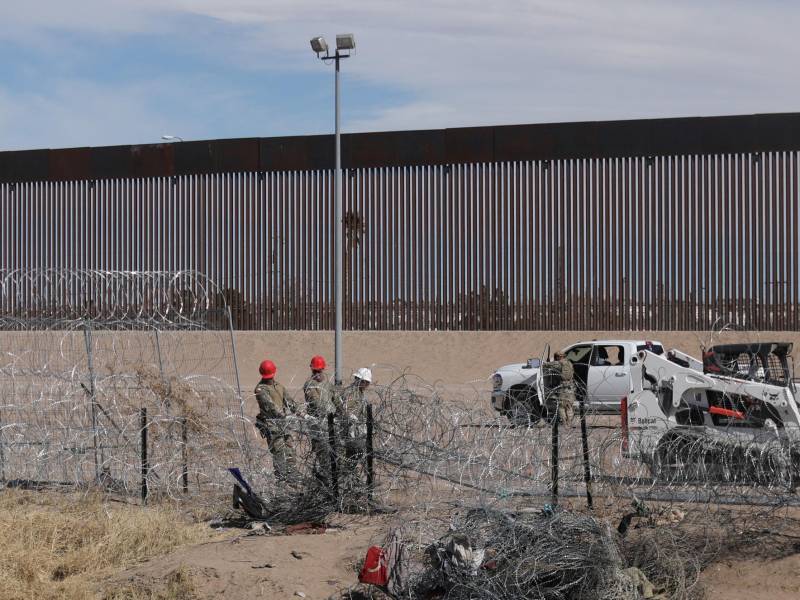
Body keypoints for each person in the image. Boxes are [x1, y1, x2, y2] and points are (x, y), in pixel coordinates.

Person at [254, 359, 297, 482]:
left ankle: (292, 476)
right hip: (272, 426)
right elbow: (270, 406)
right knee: (279, 453)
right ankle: (281, 479)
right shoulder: (260, 389)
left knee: (290, 450)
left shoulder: (279, 386)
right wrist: (284, 415)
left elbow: (289, 401)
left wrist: (300, 412)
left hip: (284, 424)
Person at [336, 367, 373, 485]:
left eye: (368, 383)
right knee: (346, 459)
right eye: (365, 382)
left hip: (354, 432)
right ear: (358, 380)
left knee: (355, 455)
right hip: (346, 432)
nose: (366, 385)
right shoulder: (351, 392)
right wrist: (352, 418)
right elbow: (346, 410)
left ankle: (349, 479)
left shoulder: (359, 393)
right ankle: (346, 482)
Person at [303, 355, 335, 483]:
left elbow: (335, 398)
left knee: (333, 452)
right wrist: (331, 412)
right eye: (315, 371)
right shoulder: (309, 385)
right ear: (312, 370)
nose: (317, 373)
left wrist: (342, 411)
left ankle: (331, 479)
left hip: (331, 423)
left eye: (319, 371)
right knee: (323, 454)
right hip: (318, 424)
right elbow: (317, 404)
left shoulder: (327, 384)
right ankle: (325, 481)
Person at [543, 351, 575, 425]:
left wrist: (547, 363)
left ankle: (564, 422)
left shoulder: (558, 363)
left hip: (562, 387)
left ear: (557, 357)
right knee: (569, 406)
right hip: (571, 387)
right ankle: (569, 422)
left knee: (561, 406)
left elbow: (545, 365)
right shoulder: (569, 363)